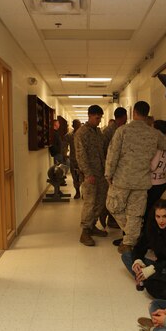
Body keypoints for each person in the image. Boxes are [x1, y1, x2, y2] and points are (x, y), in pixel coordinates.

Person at [105, 101, 166, 254]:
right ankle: (130, 239)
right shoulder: (154, 133)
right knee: (135, 213)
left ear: (133, 113)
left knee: (113, 206)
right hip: (142, 182)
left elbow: (113, 154)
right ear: (146, 114)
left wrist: (108, 174)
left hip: (122, 180)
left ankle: (130, 239)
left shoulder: (122, 131)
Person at [122, 199, 166, 288]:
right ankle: (146, 277)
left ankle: (146, 278)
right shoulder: (152, 227)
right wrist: (138, 262)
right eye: (158, 216)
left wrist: (153, 268)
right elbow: (139, 246)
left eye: (164, 216)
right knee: (127, 255)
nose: (161, 221)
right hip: (159, 265)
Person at [75, 105, 108, 246]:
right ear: (89, 116)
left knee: (100, 201)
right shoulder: (81, 133)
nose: (99, 120)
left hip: (101, 173)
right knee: (90, 203)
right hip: (90, 175)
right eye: (97, 117)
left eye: (100, 117)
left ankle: (92, 226)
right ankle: (85, 232)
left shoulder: (98, 132)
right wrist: (88, 174)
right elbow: (80, 155)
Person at [101, 107, 128, 229]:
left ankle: (111, 220)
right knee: (112, 197)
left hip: (116, 169)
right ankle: (105, 214)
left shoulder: (115, 129)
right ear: (124, 117)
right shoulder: (112, 131)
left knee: (115, 196)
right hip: (112, 169)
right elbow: (107, 151)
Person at [144, 119, 166, 223]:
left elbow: (153, 166)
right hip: (162, 182)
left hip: (153, 183)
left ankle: (148, 231)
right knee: (153, 208)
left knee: (148, 210)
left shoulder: (158, 148)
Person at [65, 119, 81, 199]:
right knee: (75, 177)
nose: (78, 126)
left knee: (83, 177)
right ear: (73, 126)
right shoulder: (69, 135)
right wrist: (65, 154)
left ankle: (84, 192)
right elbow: (65, 145)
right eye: (76, 124)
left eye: (78, 124)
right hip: (73, 160)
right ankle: (77, 191)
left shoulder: (83, 134)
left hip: (82, 160)